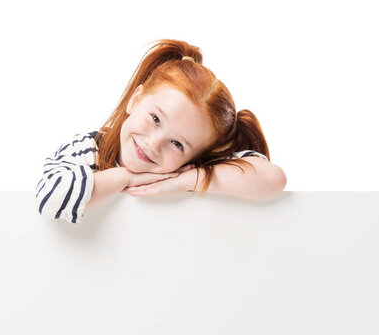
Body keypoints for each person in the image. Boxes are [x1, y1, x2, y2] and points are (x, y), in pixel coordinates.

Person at [35, 39, 287, 224]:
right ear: (135, 99)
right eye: (155, 118)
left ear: (194, 157)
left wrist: (186, 180)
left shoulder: (185, 170)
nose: (154, 144)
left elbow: (273, 179)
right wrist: (127, 178)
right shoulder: (88, 149)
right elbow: (50, 196)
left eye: (178, 144)